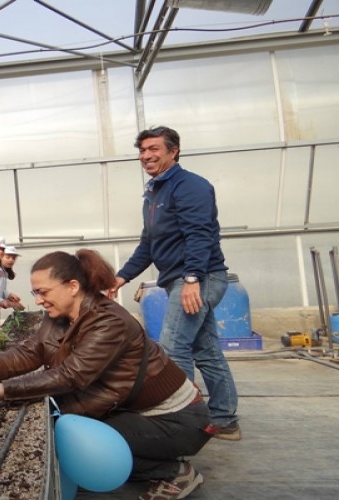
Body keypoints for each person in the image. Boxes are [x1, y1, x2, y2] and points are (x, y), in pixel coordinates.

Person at [0, 249, 212, 500]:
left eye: (43, 291)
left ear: (72, 286)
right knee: (70, 433)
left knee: (72, 441)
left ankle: (174, 473)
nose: (38, 299)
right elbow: (32, 351)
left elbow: (69, 376)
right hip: (135, 409)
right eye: (34, 292)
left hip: (176, 420)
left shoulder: (110, 322)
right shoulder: (59, 315)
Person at [109, 126, 240, 441]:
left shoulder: (189, 186)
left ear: (173, 150)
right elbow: (148, 245)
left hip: (198, 277)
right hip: (182, 278)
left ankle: (183, 422)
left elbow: (200, 234)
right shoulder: (154, 193)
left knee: (174, 346)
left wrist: (193, 277)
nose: (146, 156)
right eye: (142, 150)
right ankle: (224, 418)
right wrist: (120, 277)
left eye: (153, 148)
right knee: (205, 350)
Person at [0, 245, 24, 324]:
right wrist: (1, 301)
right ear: (1, 256)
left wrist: (8, 295)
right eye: (8, 257)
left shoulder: (2, 270)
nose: (11, 260)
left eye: (13, 258)